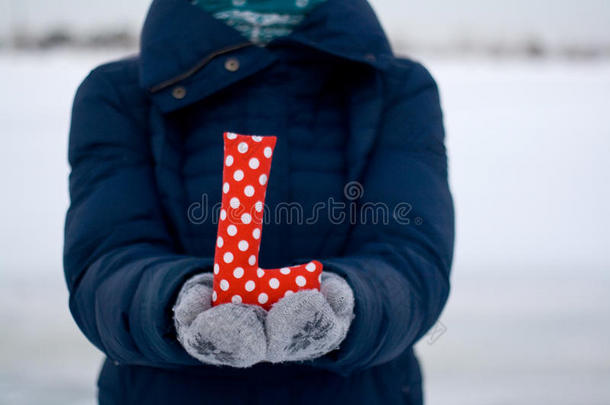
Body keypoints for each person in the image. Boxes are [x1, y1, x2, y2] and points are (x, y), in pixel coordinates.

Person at [63, 0, 455, 403]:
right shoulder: (118, 93)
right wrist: (172, 303)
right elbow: (103, 265)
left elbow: (413, 257)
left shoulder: (396, 87)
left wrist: (352, 303)